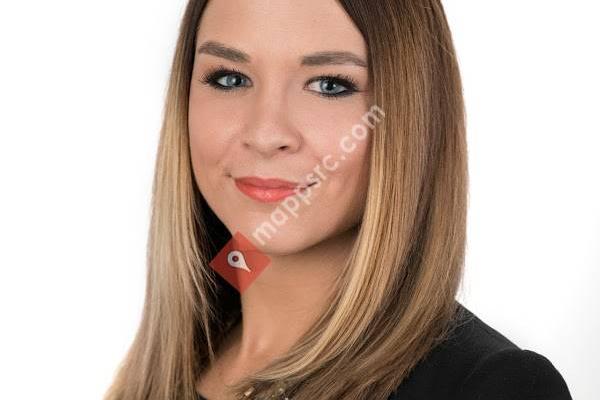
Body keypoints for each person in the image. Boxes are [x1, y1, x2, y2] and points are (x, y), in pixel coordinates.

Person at [103, 1, 573, 399]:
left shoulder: (491, 387)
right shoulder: (162, 371)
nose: (265, 134)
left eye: (329, 85)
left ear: (411, 115)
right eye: (229, 78)